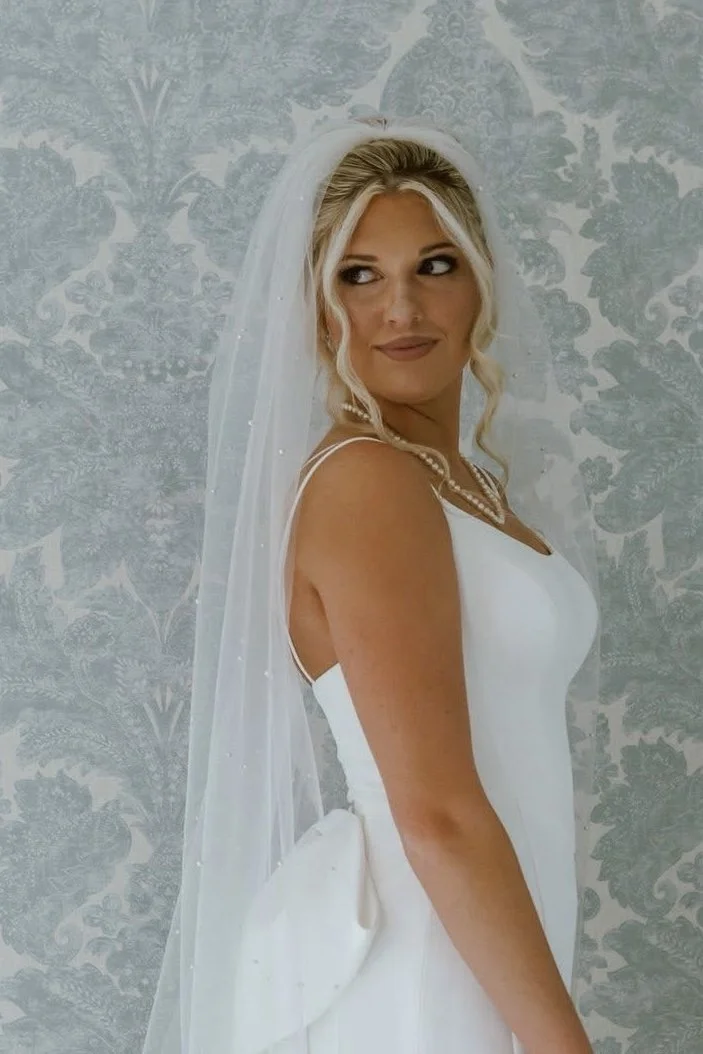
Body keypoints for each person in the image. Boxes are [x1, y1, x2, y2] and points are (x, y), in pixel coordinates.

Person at [140, 115, 600, 1054]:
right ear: (315, 306)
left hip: (494, 949)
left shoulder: (455, 481)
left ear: (481, 282)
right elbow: (431, 812)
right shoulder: (368, 482)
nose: (401, 309)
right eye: (359, 276)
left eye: (434, 266)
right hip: (427, 971)